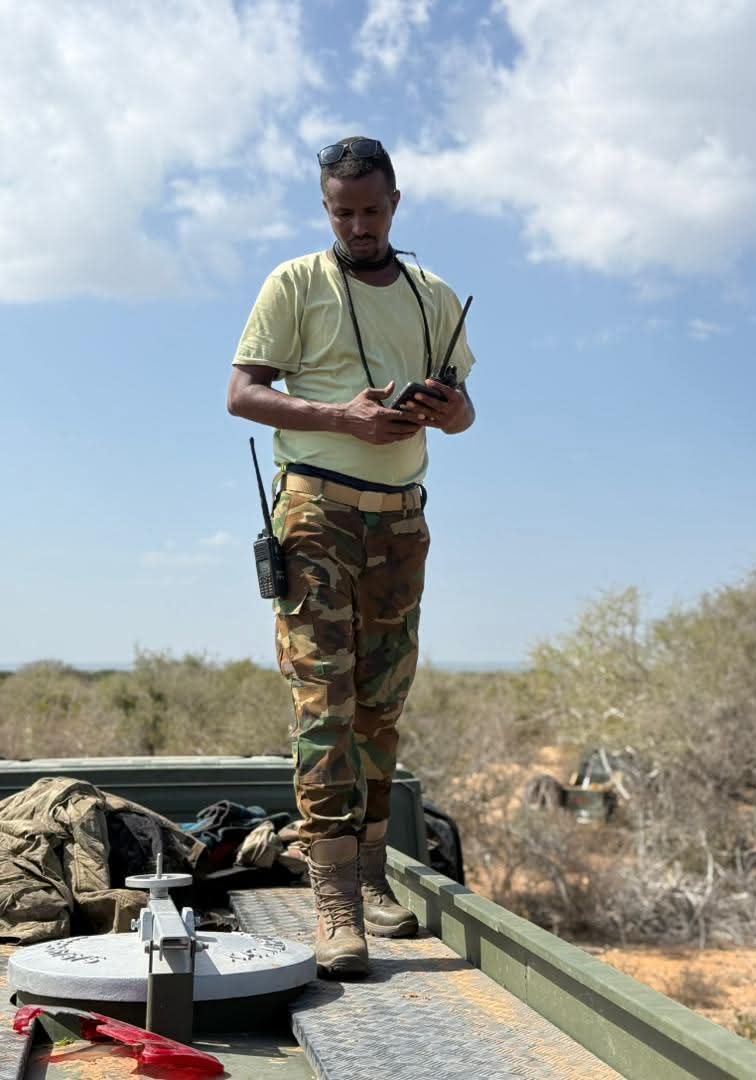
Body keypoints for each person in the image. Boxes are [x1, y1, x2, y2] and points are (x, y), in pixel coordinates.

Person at [227, 136, 476, 977]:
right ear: (326, 208)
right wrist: (344, 417)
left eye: (372, 211)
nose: (360, 226)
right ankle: (335, 902)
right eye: (344, 213)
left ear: (395, 203)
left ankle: (369, 877)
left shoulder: (434, 296)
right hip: (317, 512)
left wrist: (442, 410)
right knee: (323, 704)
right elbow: (242, 394)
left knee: (380, 705)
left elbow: (468, 411)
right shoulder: (294, 283)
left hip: (401, 522)